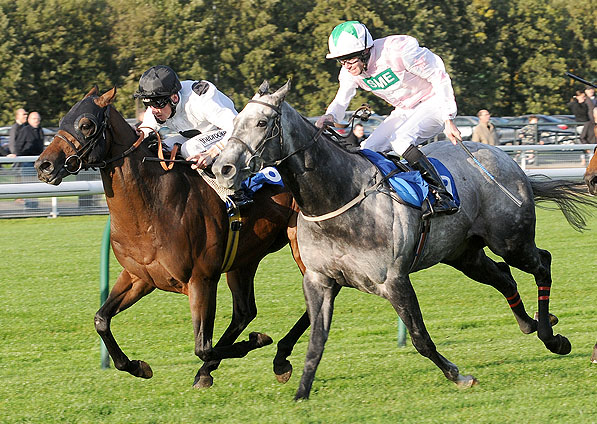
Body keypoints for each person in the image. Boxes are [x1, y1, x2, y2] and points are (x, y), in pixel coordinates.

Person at [315, 21, 459, 217]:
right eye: (341, 60)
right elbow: (341, 100)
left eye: (350, 59)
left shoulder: (399, 52)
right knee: (367, 151)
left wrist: (448, 117)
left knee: (400, 141)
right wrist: (330, 116)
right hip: (404, 109)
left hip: (434, 101)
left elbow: (439, 76)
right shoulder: (350, 72)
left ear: (365, 51)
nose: (346, 65)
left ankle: (443, 195)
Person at [134, 65, 251, 206]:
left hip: (228, 132)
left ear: (174, 98)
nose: (153, 110)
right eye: (148, 103)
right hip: (198, 136)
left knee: (190, 148)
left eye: (157, 103)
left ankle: (234, 191)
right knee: (159, 147)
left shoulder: (200, 100)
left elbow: (237, 128)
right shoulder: (158, 107)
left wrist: (212, 153)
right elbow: (143, 132)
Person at [10, 111, 44, 208]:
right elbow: (18, 145)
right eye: (34, 119)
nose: (37, 121)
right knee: (28, 184)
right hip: (27, 162)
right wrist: (17, 156)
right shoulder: (25, 130)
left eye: (38, 119)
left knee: (35, 184)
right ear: (29, 120)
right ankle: (29, 205)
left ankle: (34, 204)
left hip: (36, 161)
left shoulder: (40, 130)